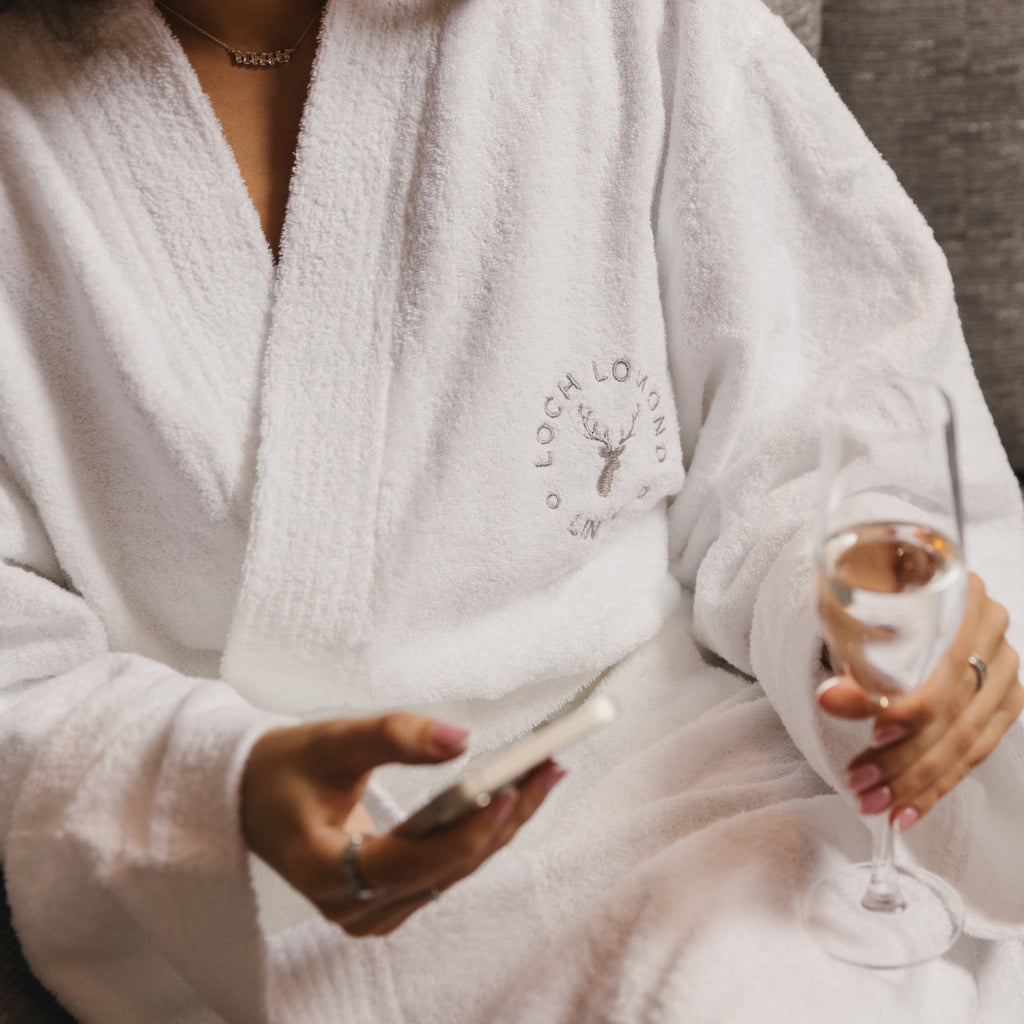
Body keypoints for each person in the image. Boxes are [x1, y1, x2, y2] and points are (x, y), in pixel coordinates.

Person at [0, 0, 1022, 1021]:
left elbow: (820, 435)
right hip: (250, 893)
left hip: (662, 786)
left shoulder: (632, 23)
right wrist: (211, 783)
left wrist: (861, 619)